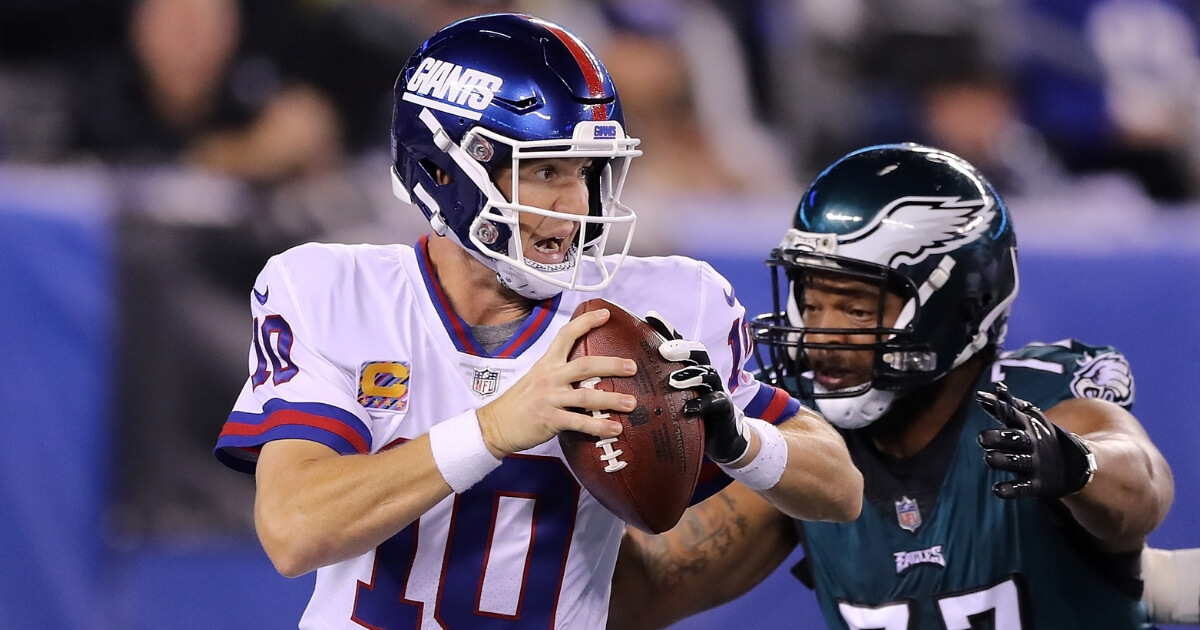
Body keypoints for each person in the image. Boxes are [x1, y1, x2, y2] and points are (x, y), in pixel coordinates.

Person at [212, 13, 862, 629]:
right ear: (444, 170)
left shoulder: (664, 304)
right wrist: (495, 429)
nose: (577, 202)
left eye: (587, 172)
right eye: (546, 170)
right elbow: (294, 530)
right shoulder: (335, 291)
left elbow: (839, 486)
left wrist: (741, 440)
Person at [608, 142, 1175, 629]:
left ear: (962, 307)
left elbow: (1142, 489)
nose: (819, 337)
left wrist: (1077, 467)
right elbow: (643, 593)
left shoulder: (1031, 410)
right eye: (811, 301)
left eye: (855, 310)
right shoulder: (809, 451)